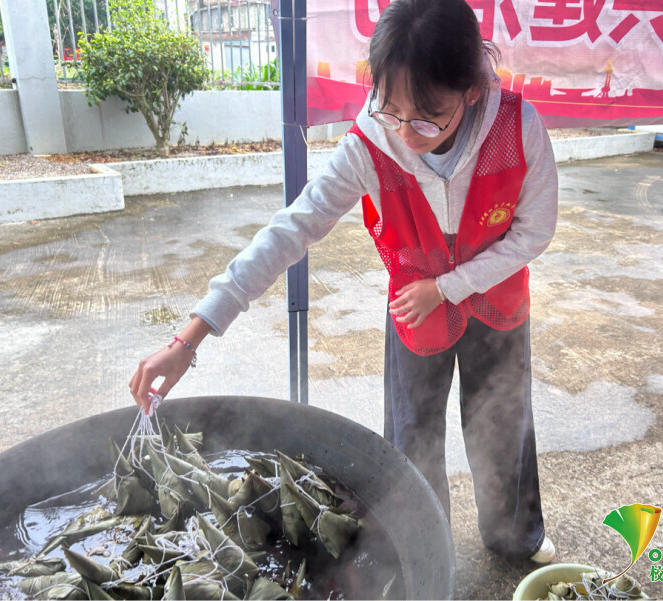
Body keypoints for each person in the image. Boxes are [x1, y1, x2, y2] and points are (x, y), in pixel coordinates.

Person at [130, 0, 559, 563]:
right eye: (391, 109)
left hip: (497, 304)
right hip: (414, 314)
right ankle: (425, 551)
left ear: (473, 90)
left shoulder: (518, 128)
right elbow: (291, 229)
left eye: (428, 117)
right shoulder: (369, 144)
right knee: (411, 438)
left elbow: (533, 233)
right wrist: (190, 337)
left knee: (503, 426)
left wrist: (446, 287)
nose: (406, 132)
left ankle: (515, 536)